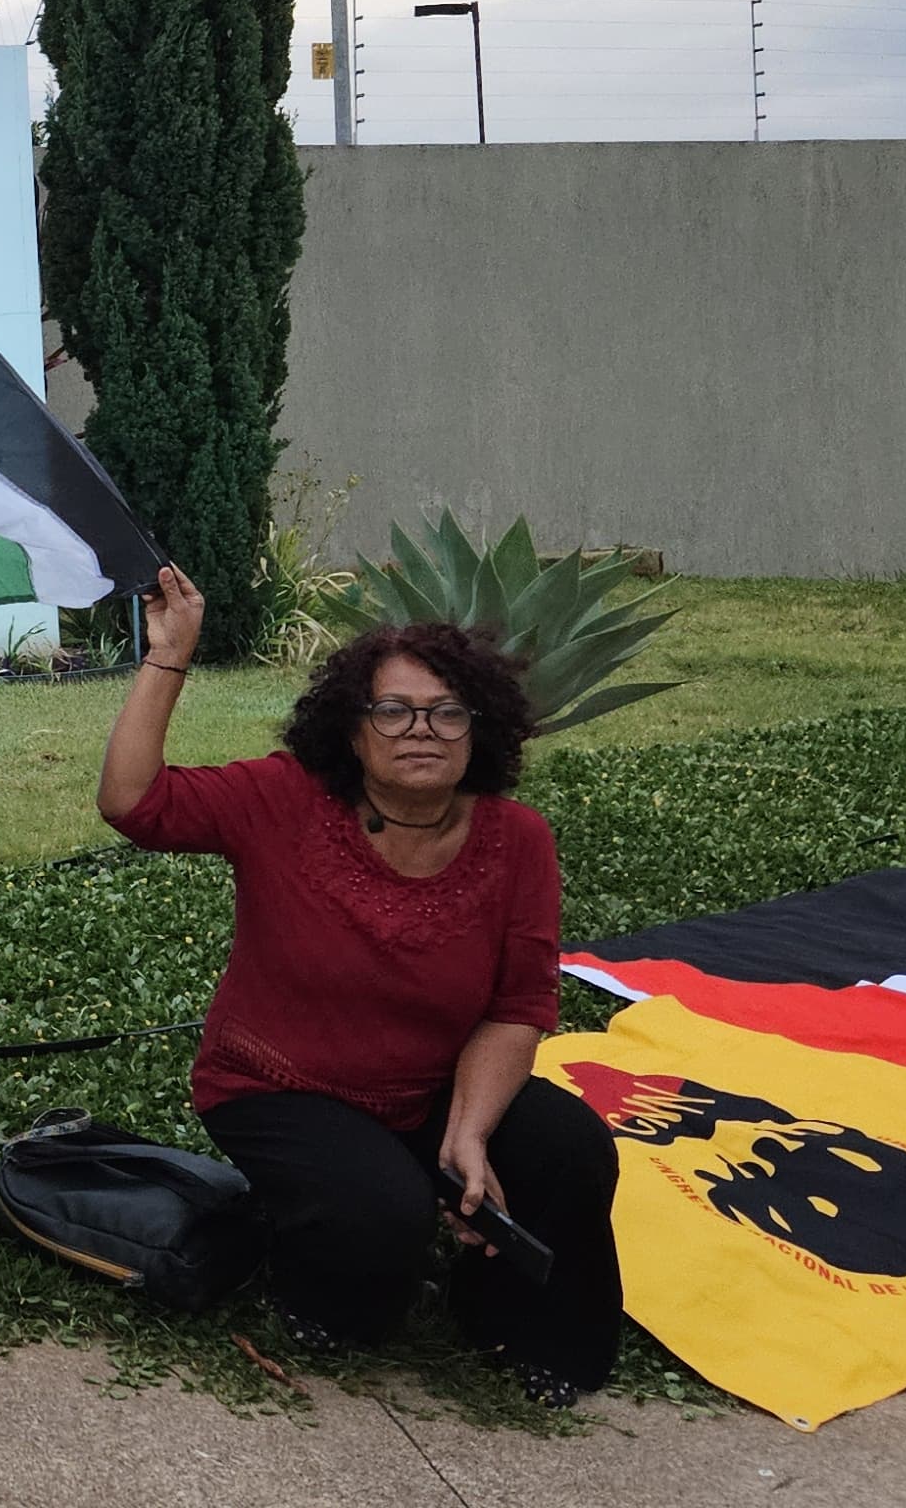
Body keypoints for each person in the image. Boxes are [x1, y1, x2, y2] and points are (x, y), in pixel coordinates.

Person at [95, 566, 621, 1406]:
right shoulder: (281, 799)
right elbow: (135, 804)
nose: (423, 730)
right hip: (278, 1085)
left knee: (571, 1150)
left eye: (448, 712)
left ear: (480, 728)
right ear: (352, 728)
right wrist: (168, 657)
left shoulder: (518, 839)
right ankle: (317, 1289)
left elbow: (519, 1007)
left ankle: (515, 1320)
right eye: (393, 710)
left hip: (432, 1085)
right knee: (378, 1219)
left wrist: (470, 1132)